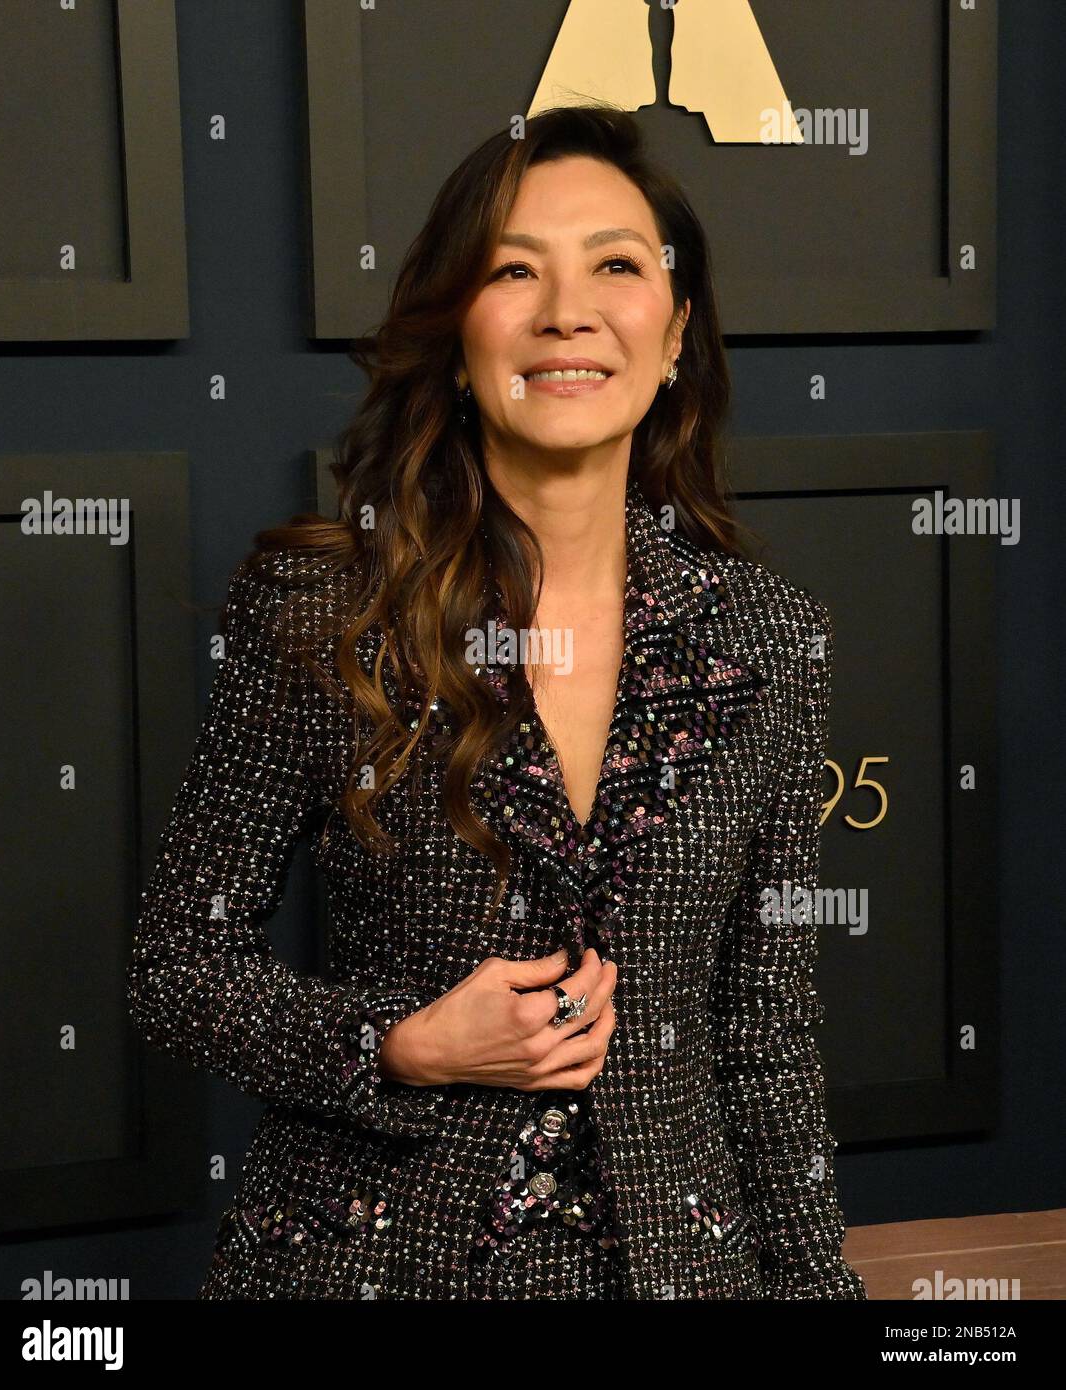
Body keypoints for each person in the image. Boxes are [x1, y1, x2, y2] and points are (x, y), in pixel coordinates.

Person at [126, 103, 867, 1301]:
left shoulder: (771, 637)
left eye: (616, 267)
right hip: (374, 1260)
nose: (566, 310)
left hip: (679, 1269)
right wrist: (400, 1044)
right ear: (455, 330)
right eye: (513, 269)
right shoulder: (322, 610)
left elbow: (763, 1035)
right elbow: (178, 965)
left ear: (673, 331)